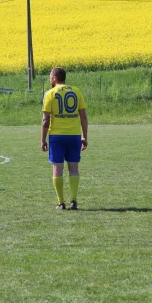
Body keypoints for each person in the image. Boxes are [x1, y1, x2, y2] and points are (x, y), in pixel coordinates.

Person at [41, 67, 88, 210]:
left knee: (58, 169)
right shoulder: (76, 91)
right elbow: (83, 117)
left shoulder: (50, 94)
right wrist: (84, 136)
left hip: (57, 136)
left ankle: (61, 203)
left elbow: (45, 120)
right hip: (74, 135)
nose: (50, 78)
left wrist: (43, 139)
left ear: (54, 78)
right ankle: (73, 200)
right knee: (74, 168)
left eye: (50, 76)